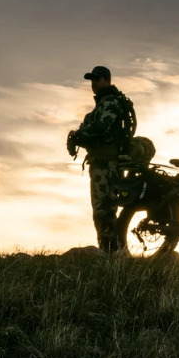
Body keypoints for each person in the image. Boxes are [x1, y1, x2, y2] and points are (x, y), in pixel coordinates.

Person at [67, 65, 132, 254]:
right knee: (102, 208)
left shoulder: (110, 102)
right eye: (91, 81)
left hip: (107, 164)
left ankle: (110, 252)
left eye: (96, 80)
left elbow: (102, 127)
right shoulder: (104, 102)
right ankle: (110, 250)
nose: (93, 84)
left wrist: (78, 134)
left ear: (106, 80)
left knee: (104, 209)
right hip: (101, 162)